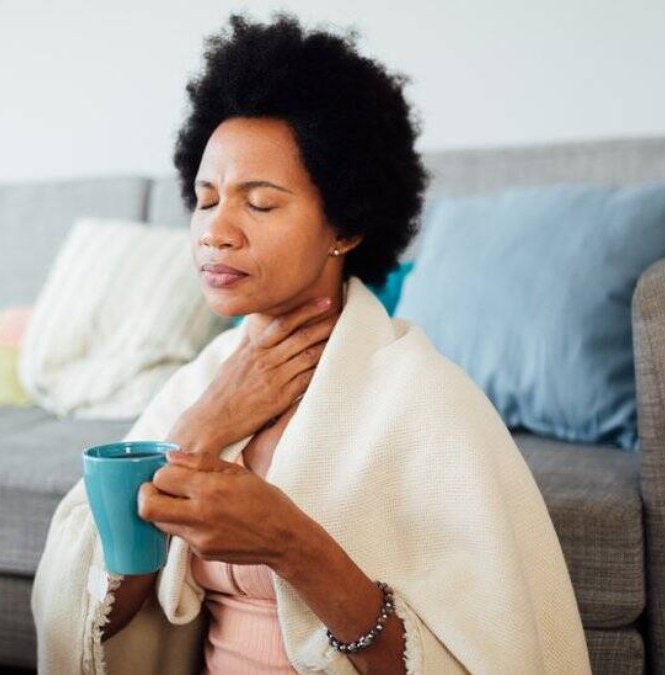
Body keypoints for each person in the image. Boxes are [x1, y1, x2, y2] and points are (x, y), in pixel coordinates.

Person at [32, 11, 591, 674]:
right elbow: (96, 623)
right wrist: (203, 428)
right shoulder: (200, 386)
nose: (216, 231)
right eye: (206, 199)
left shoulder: (423, 400)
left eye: (259, 203)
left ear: (347, 225)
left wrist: (291, 545)